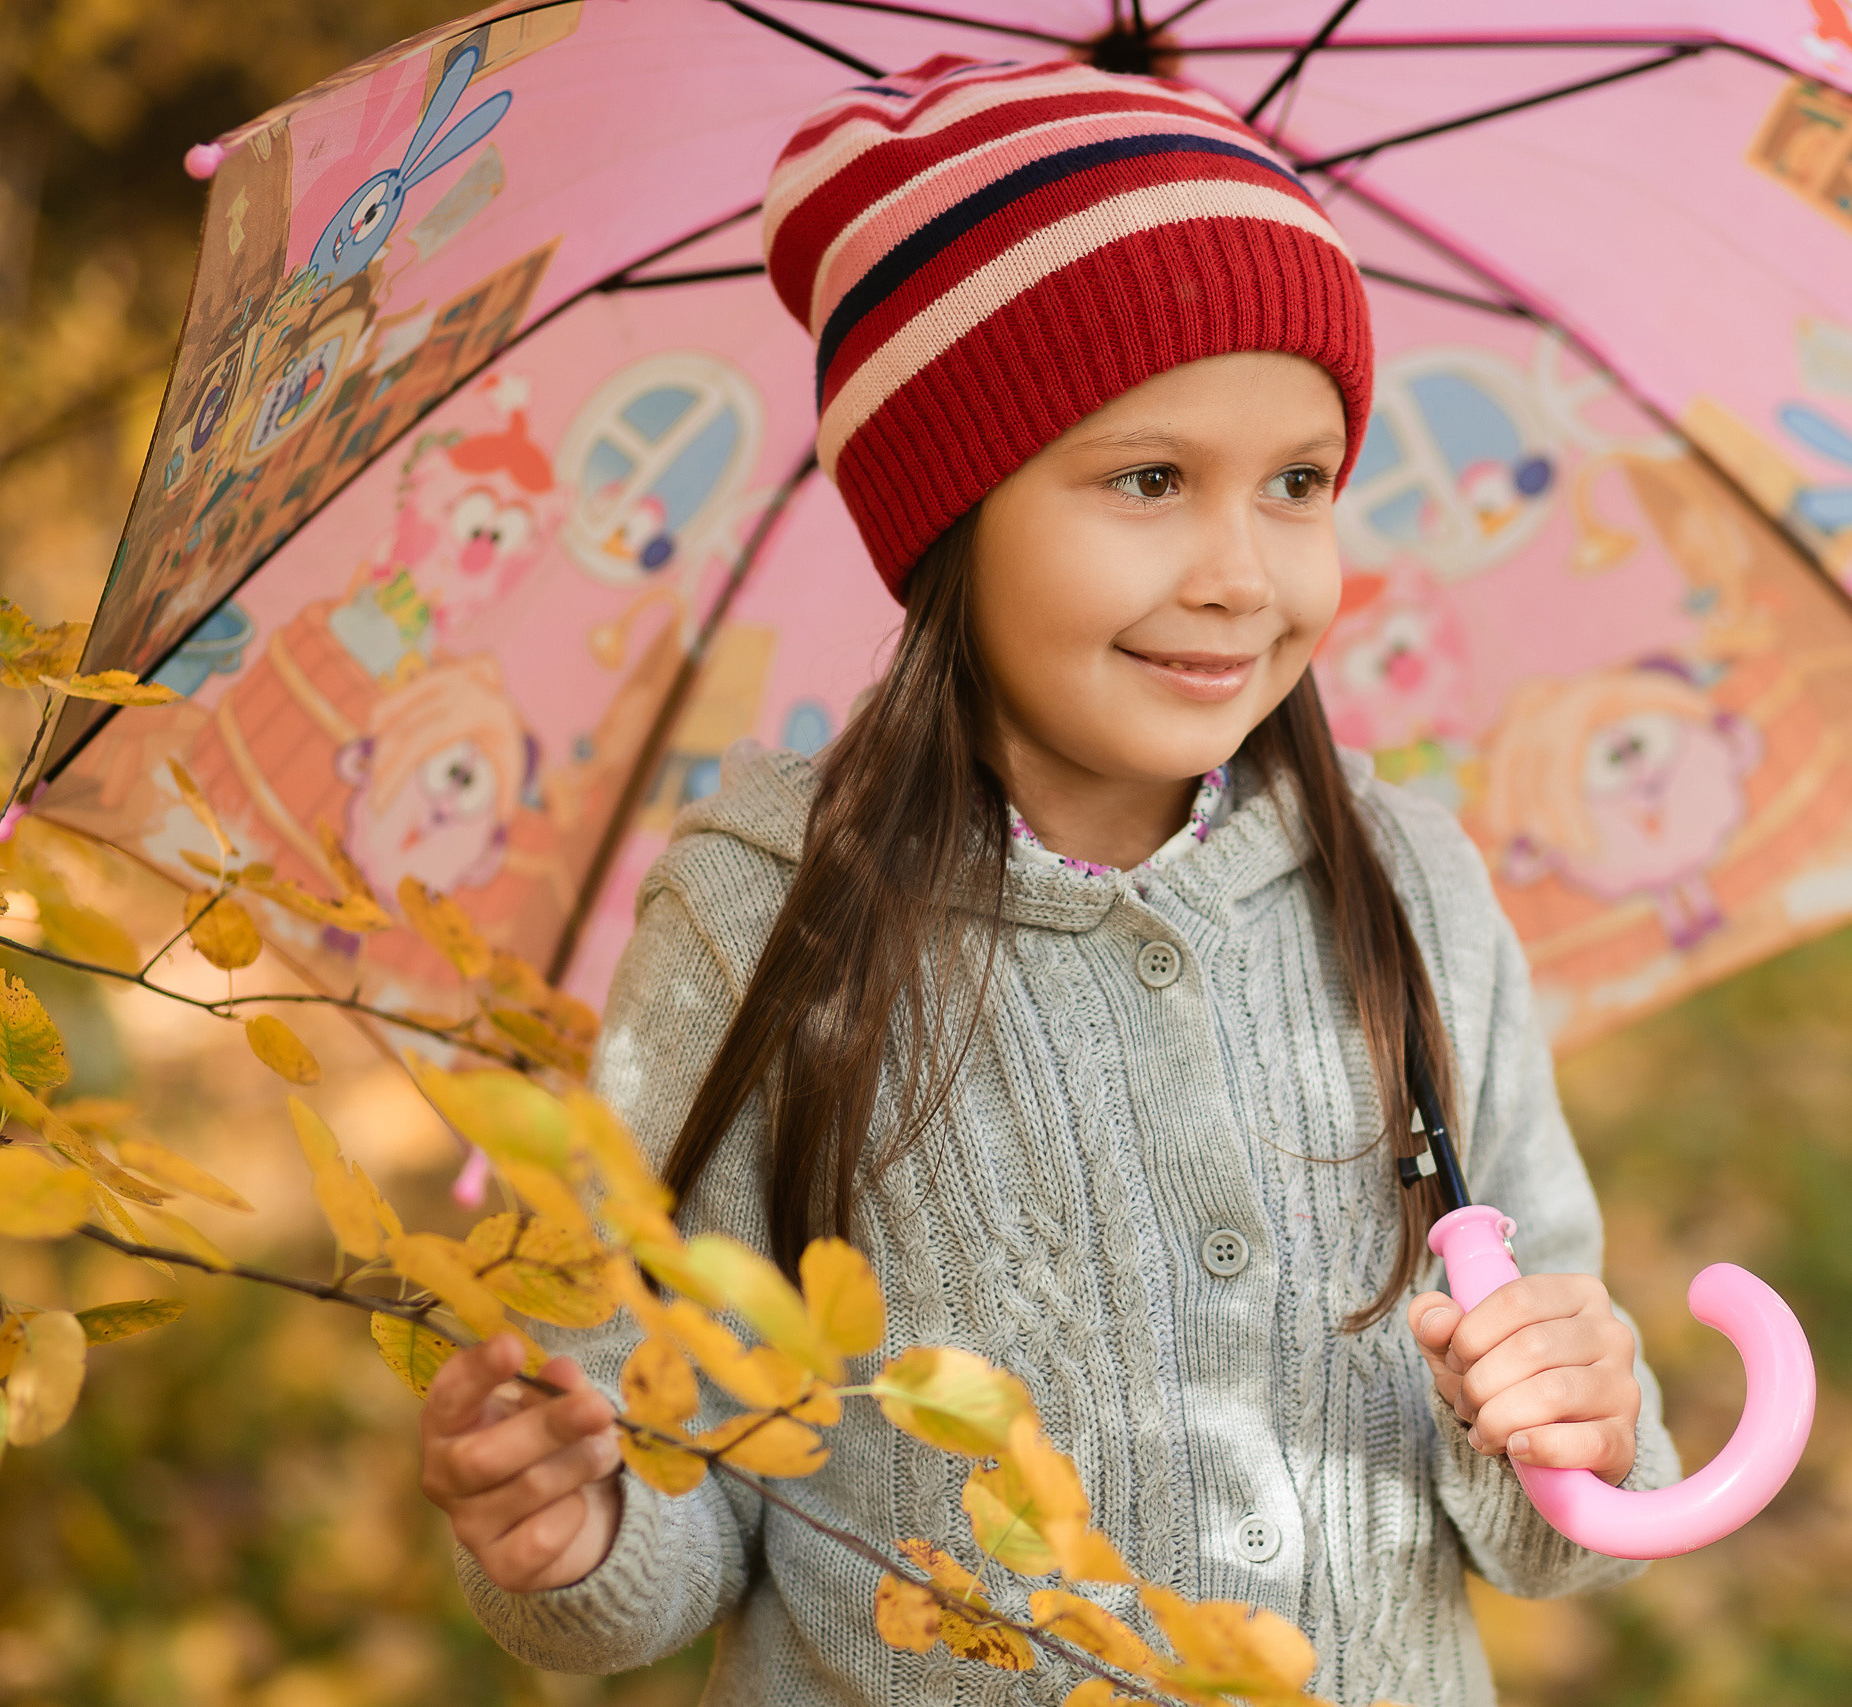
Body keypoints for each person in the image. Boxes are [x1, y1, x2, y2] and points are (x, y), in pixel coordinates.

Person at [414, 55, 1681, 1707]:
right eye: (1150, 480)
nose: (1241, 573)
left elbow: (1556, 1503)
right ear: (950, 515)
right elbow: (670, 1473)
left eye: (1299, 482)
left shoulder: (1410, 892)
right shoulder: (761, 926)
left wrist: (1583, 1418)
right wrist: (577, 1534)